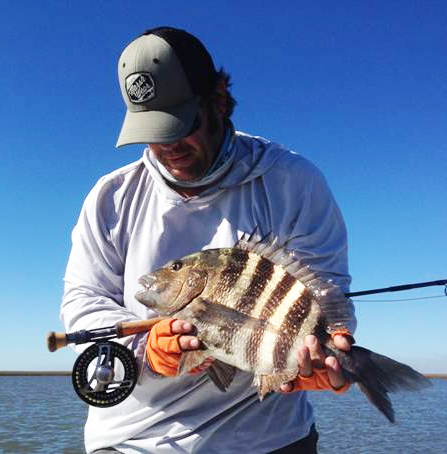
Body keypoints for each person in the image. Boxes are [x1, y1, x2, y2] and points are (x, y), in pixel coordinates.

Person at [61, 26, 356, 454]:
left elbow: (325, 290)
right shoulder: (110, 197)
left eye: (183, 124)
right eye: (154, 130)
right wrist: (145, 350)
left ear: (217, 100)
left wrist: (328, 354)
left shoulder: (293, 181)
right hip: (135, 439)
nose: (169, 145)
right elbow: (83, 301)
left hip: (271, 439)